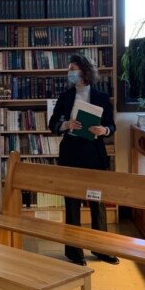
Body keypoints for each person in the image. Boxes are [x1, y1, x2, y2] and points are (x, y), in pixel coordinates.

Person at [48, 54, 119, 266]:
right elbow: (53, 124)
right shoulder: (65, 97)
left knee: (97, 204)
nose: (69, 72)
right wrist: (66, 125)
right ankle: (73, 251)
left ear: (84, 71)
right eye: (69, 68)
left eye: (73, 68)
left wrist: (103, 129)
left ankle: (101, 249)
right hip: (70, 154)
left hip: (94, 155)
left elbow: (111, 126)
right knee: (71, 204)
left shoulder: (101, 97)